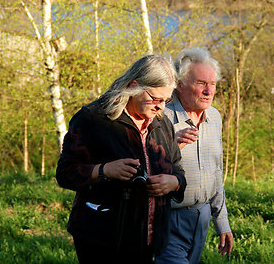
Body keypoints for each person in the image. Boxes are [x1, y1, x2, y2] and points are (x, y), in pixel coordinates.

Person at [56, 54, 187, 264]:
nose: (161, 107)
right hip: (102, 243)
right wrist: (104, 171)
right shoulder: (94, 118)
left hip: (151, 241)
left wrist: (174, 183)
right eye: (156, 98)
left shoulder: (163, 124)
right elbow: (65, 173)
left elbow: (178, 170)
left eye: (166, 100)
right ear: (134, 86)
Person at [156, 48, 233, 264]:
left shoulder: (215, 117)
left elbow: (216, 172)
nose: (209, 91)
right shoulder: (160, 117)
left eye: (213, 84)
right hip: (167, 219)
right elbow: (143, 167)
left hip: (202, 218)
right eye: (201, 83)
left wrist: (222, 223)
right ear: (179, 85)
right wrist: (170, 147)